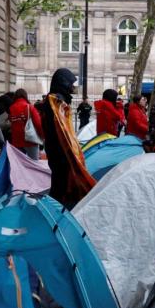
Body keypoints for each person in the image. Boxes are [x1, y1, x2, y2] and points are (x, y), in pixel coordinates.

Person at [38, 69, 96, 207]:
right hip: (59, 149)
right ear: (63, 83)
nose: (73, 87)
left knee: (61, 179)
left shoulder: (58, 99)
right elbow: (60, 130)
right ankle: (56, 208)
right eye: (71, 83)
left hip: (58, 148)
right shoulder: (55, 100)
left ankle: (57, 205)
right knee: (60, 179)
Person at [8, 88, 45, 160]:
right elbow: (38, 124)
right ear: (25, 96)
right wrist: (42, 136)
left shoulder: (11, 108)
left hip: (16, 141)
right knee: (34, 164)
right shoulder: (29, 107)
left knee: (20, 164)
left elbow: (10, 121)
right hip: (30, 141)